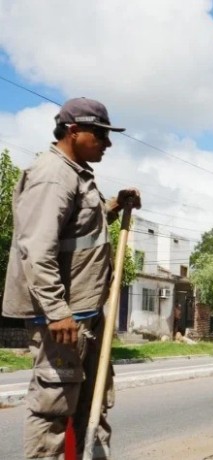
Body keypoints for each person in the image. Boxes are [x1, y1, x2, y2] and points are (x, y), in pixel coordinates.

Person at [2, 97, 141, 460]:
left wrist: (112, 206)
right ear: (73, 130)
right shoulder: (52, 175)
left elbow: (74, 235)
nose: (107, 143)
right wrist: (56, 310)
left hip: (84, 314)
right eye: (100, 134)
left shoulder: (75, 174)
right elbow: (38, 250)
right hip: (64, 318)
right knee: (53, 409)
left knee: (92, 403)